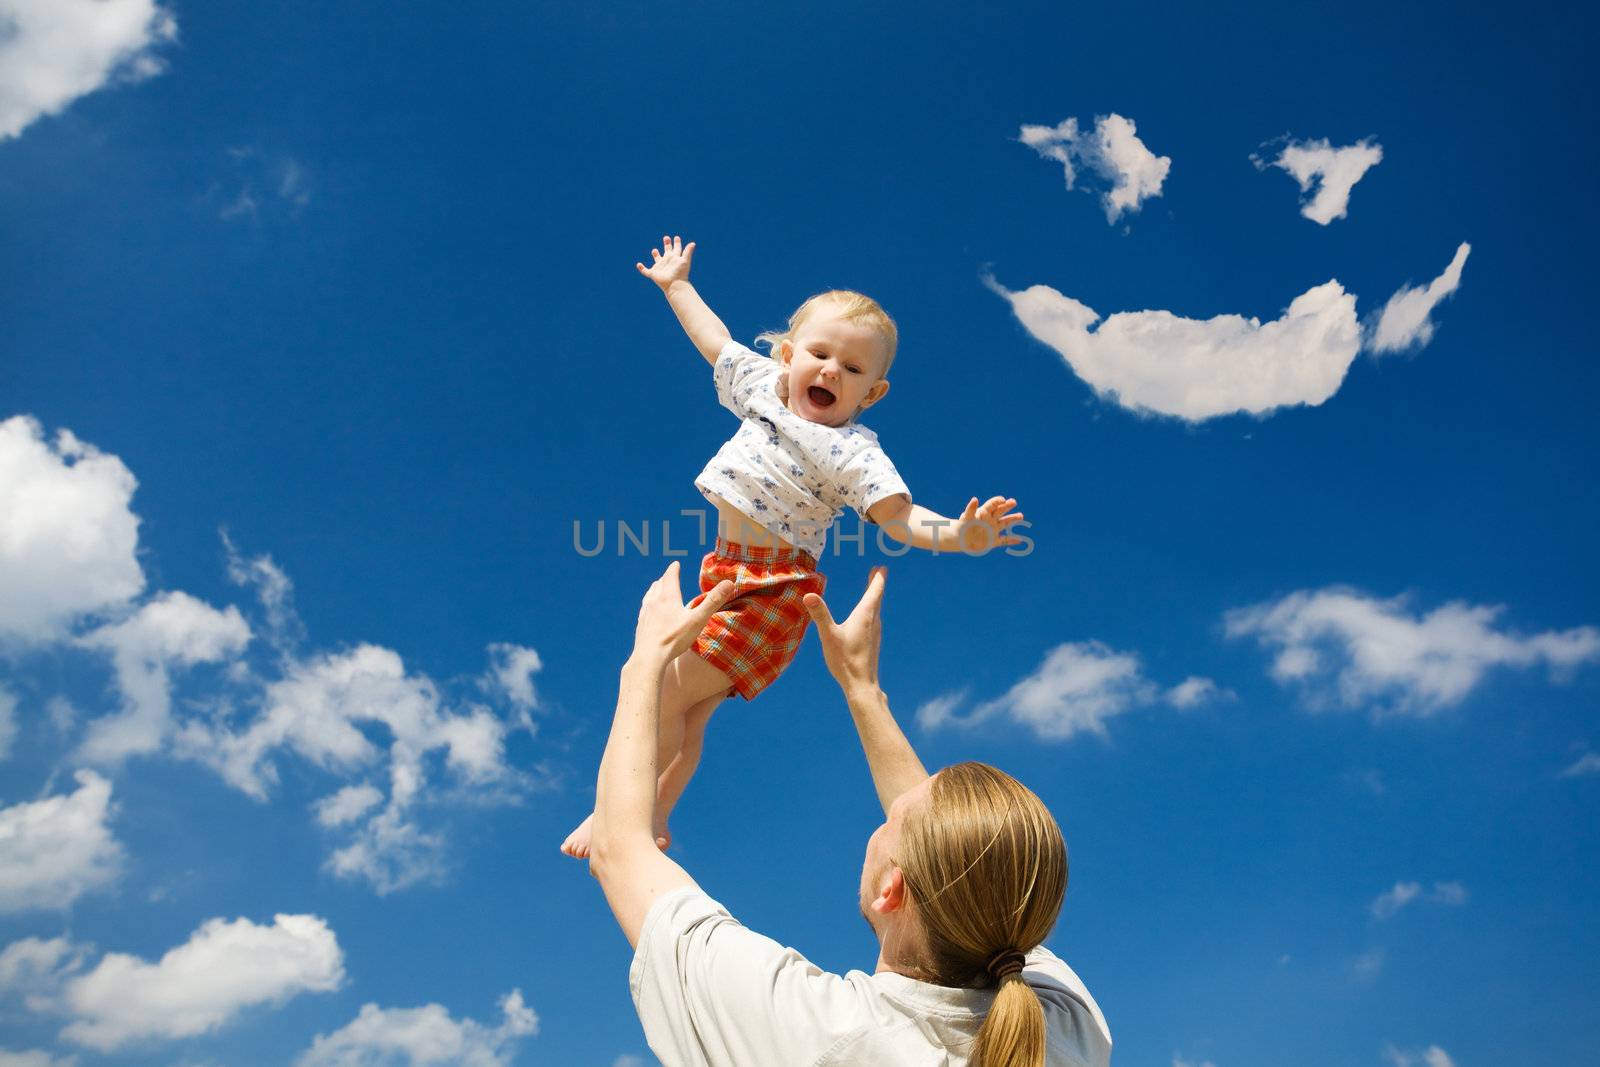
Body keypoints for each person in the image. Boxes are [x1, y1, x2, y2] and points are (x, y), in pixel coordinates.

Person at [561, 235, 1027, 858]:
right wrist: (677, 287)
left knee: (666, 688)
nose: (832, 370)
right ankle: (659, 814)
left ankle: (616, 815)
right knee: (692, 714)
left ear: (871, 395)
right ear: (787, 355)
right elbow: (714, 342)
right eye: (820, 353)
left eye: (854, 369)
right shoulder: (762, 387)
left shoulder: (854, 451)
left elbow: (899, 516)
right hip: (727, 574)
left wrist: (961, 536)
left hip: (774, 593)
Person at [587, 563, 1112, 1066]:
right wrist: (861, 688)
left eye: (887, 822)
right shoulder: (1067, 1031)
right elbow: (966, 870)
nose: (883, 816)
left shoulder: (816, 1036)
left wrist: (647, 661)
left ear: (892, 889)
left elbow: (619, 849)